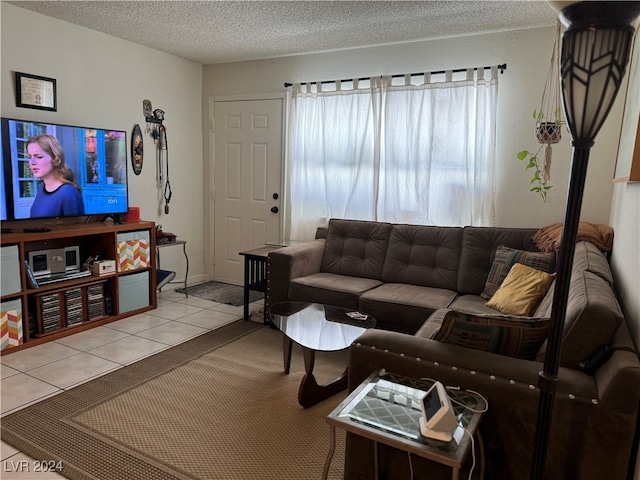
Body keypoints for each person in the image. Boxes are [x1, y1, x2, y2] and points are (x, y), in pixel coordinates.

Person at [27, 134, 84, 218]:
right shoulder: (42, 187)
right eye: (30, 157)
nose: (32, 162)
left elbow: (76, 229)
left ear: (55, 159)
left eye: (39, 157)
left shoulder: (68, 192)